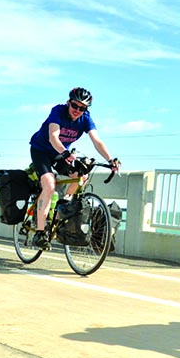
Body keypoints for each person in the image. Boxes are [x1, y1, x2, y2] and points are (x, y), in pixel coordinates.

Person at [29, 87, 121, 249]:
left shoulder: (85, 118)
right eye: (75, 106)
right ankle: (40, 232)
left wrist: (110, 160)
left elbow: (97, 141)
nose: (77, 110)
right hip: (41, 150)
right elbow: (53, 137)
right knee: (49, 184)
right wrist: (65, 153)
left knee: (81, 177)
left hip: (60, 153)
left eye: (82, 108)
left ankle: (63, 206)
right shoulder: (58, 111)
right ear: (68, 103)